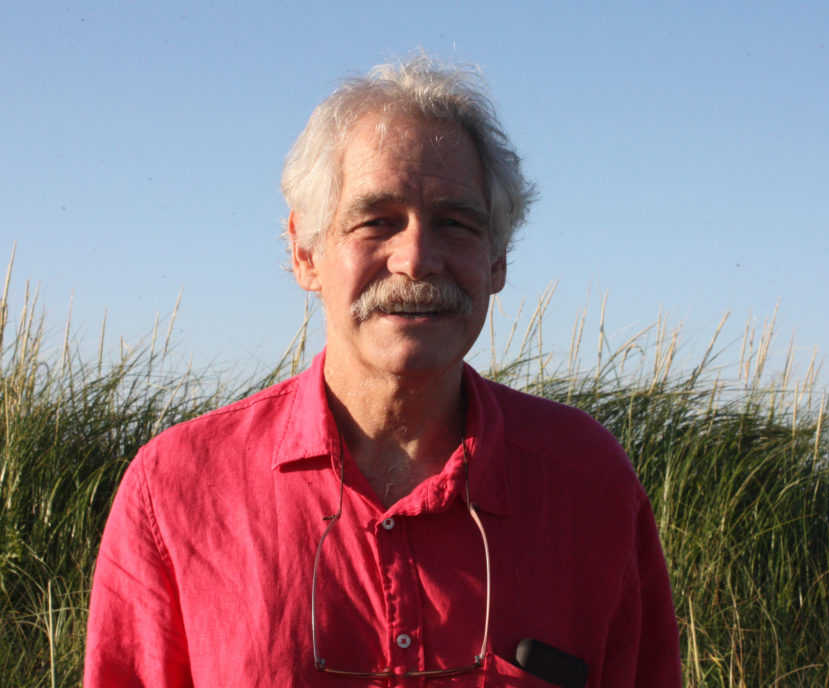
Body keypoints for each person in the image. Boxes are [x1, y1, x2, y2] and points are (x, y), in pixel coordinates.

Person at [85, 55, 682, 687]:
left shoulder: (588, 484)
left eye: (456, 223)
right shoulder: (177, 490)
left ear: (499, 259)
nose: (417, 258)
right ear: (304, 251)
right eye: (377, 221)